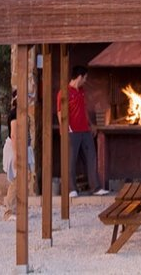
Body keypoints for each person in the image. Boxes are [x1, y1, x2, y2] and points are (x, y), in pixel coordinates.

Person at [57, 65, 108, 197]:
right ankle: (71, 189)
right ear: (79, 77)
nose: (85, 80)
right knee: (71, 160)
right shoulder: (64, 92)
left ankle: (96, 188)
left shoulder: (81, 91)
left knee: (91, 157)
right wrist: (64, 130)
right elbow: (60, 112)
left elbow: (84, 109)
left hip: (85, 130)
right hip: (72, 131)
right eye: (85, 78)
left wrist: (91, 124)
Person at [2, 90, 35, 221]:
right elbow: (15, 135)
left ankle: (20, 208)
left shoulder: (23, 114)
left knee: (24, 179)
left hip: (23, 148)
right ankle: (10, 211)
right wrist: (16, 155)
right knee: (17, 180)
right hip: (16, 149)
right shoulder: (15, 114)